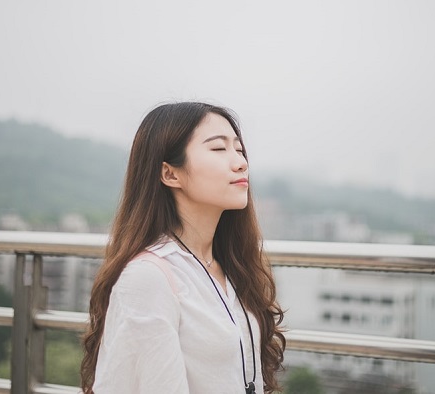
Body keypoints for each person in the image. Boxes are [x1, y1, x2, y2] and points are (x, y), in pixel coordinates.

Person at [80, 102, 286, 394]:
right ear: (170, 174)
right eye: (218, 149)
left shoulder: (230, 267)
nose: (240, 162)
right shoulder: (150, 277)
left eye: (239, 150)